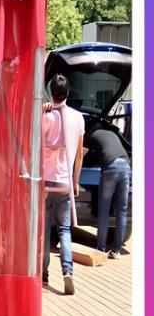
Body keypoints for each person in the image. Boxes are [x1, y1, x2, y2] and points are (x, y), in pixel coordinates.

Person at [42, 75, 84, 294]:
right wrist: (75, 181)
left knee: (43, 230)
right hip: (65, 180)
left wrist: (42, 111)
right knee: (64, 229)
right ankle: (67, 270)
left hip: (46, 181)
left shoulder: (46, 116)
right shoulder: (78, 118)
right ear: (68, 92)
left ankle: (43, 273)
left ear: (51, 92)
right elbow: (80, 155)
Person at [86, 124, 131, 258]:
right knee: (122, 210)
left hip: (111, 167)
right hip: (126, 165)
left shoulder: (92, 136)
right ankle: (116, 250)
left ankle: (101, 248)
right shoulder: (113, 134)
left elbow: (85, 156)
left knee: (104, 210)